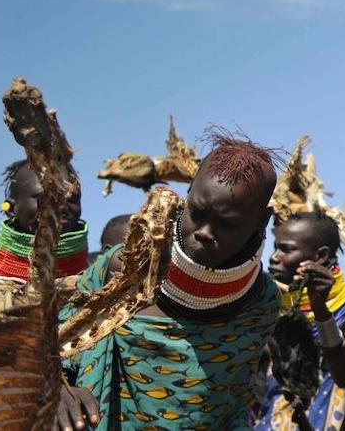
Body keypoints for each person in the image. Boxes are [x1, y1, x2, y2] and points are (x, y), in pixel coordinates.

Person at [55, 132, 282, 431]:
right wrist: (59, 389)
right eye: (198, 212)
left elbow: (232, 403)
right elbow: (54, 349)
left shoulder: (261, 301)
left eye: (227, 224)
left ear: (262, 221)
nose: (205, 232)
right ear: (188, 192)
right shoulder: (124, 268)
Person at [259, 210, 345, 430]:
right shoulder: (270, 308)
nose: (274, 257)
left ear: (320, 256)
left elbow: (344, 375)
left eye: (286, 249)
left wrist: (321, 310)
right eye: (275, 247)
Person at [0, 159, 87, 288]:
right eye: (46, 197)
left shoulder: (100, 288)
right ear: (12, 209)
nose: (61, 205)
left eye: (72, 197)